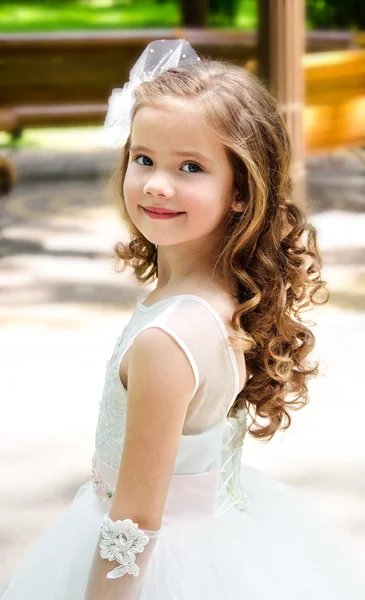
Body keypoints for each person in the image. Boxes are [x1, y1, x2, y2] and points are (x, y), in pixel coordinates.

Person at [0, 39, 364, 600]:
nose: (157, 183)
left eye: (190, 166)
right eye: (143, 158)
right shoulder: (218, 293)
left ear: (241, 191)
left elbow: (135, 522)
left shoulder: (168, 342)